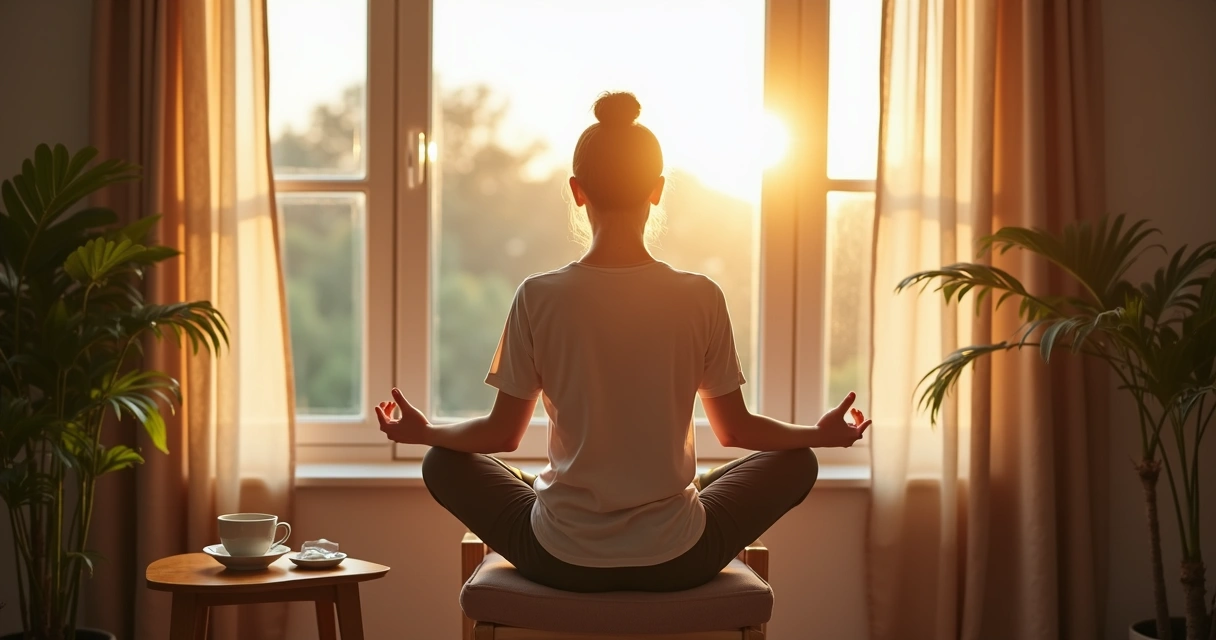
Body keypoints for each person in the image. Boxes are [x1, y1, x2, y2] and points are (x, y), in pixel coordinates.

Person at [375, 91, 871, 593]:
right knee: (796, 459)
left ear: (577, 190)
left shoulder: (538, 296)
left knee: (442, 460)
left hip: (560, 558)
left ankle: (554, 496)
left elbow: (501, 436)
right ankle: (638, 501)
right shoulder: (700, 296)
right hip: (678, 557)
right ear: (657, 190)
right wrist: (819, 435)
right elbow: (734, 429)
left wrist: (425, 432)